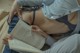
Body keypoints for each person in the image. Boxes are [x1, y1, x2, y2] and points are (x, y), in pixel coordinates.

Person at [3, 0, 80, 53]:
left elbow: (60, 44)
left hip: (30, 34)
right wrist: (18, 2)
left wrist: (44, 34)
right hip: (21, 21)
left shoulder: (76, 32)